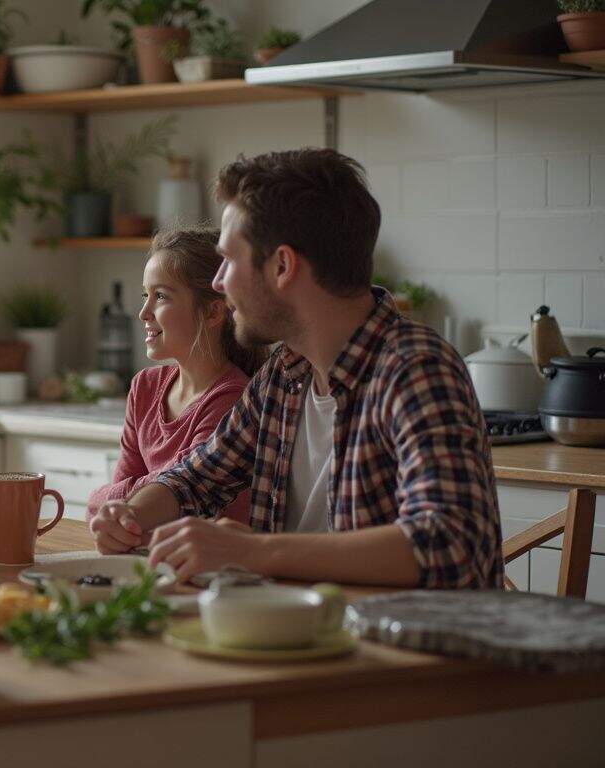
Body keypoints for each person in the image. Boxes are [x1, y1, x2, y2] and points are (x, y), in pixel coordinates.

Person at [90, 148, 504, 589]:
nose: (218, 282)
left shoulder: (414, 370)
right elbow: (193, 478)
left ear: (282, 266)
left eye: (230, 260)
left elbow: (450, 544)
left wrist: (254, 552)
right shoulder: (285, 376)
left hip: (401, 649)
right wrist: (132, 515)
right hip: (302, 636)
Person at [87, 227, 264, 539]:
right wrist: (122, 498)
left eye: (161, 297)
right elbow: (103, 508)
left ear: (212, 311)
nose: (143, 312)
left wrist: (120, 498)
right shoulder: (145, 387)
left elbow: (188, 505)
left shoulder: (233, 397)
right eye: (146, 295)